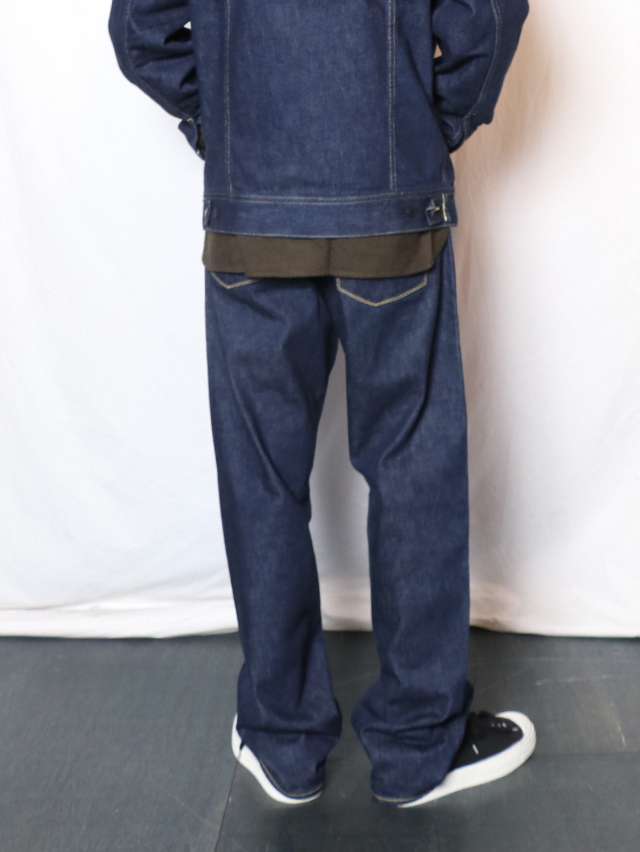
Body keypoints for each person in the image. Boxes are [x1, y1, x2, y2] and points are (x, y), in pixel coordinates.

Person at [109, 0, 534, 807]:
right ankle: (417, 747)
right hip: (390, 207)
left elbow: (140, 32)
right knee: (412, 468)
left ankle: (283, 740)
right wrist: (425, 127)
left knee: (260, 480)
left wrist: (222, 129)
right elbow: (485, 16)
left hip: (252, 212)